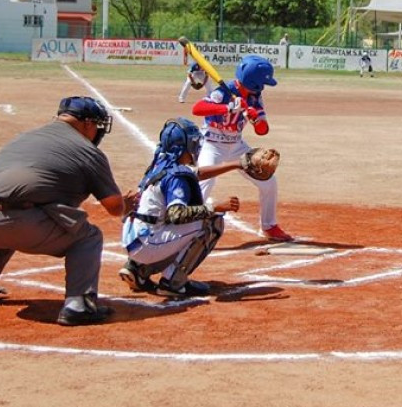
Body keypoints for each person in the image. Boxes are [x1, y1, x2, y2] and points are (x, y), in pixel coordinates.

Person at [0, 96, 135, 326]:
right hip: (13, 222)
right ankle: (79, 306)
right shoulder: (88, 151)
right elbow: (114, 208)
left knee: (5, 222)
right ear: (87, 123)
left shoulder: (27, 136)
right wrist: (126, 204)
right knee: (88, 237)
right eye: (97, 125)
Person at [119, 118, 242, 297]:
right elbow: (177, 215)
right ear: (184, 146)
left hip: (132, 238)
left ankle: (137, 270)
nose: (196, 146)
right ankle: (173, 282)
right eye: (193, 142)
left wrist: (238, 164)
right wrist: (214, 207)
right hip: (147, 244)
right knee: (211, 221)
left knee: (163, 218)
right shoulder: (177, 177)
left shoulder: (160, 163)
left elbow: (197, 174)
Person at [191, 54, 293, 242]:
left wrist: (255, 118)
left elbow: (263, 130)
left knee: (268, 182)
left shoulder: (255, 97)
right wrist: (228, 108)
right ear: (254, 81)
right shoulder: (224, 92)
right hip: (212, 143)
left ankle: (269, 226)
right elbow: (197, 109)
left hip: (236, 145)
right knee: (205, 181)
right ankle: (186, 225)